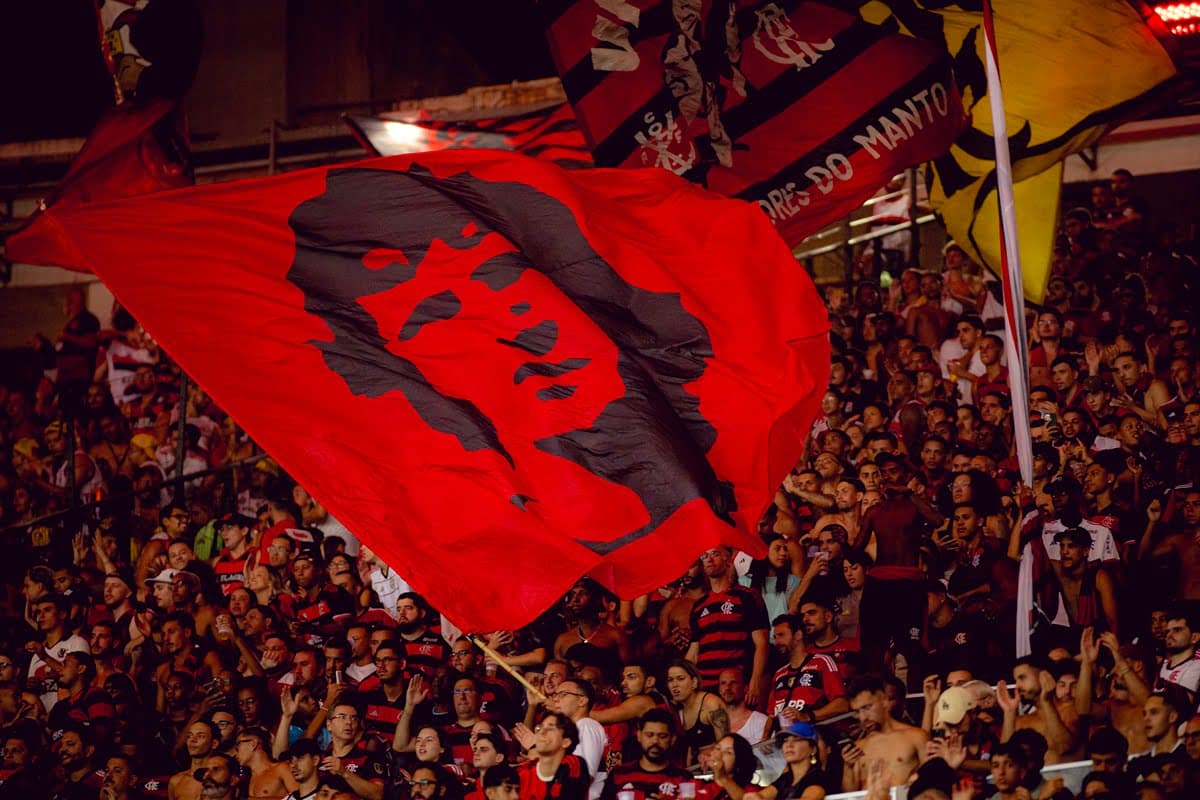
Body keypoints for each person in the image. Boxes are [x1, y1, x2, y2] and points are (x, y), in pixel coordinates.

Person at [686, 548, 769, 705]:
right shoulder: (698, 606)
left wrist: (755, 681)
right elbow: (694, 652)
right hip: (706, 689)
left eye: (715, 554)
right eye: (704, 556)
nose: (709, 559)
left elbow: (762, 643)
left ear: (728, 559)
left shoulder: (748, 596)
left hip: (736, 685)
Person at [841, 677, 928, 791]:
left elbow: (932, 782)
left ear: (884, 701)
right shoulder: (859, 748)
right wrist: (848, 767)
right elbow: (849, 795)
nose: (863, 717)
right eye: (857, 712)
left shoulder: (916, 736)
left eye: (867, 707)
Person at [600, 709, 692, 800]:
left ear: (672, 739)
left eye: (662, 736)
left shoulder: (684, 778)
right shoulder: (619, 774)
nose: (655, 741)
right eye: (649, 735)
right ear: (639, 736)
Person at [745, 722, 829, 800]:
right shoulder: (785, 778)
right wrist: (754, 797)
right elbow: (762, 796)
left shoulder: (818, 777)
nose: (789, 745)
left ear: (813, 749)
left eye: (797, 739)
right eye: (785, 741)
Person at [516, 712, 590, 800]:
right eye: (539, 728)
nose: (542, 732)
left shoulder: (574, 764)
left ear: (565, 742)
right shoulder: (524, 772)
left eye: (550, 728)